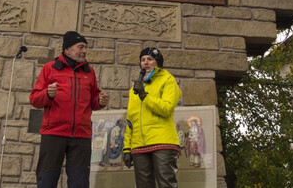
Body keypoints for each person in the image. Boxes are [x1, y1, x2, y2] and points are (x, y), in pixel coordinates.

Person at [30, 31, 109, 188]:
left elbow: (93, 99)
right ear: (67, 49)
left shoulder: (89, 72)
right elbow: (34, 100)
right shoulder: (49, 68)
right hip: (53, 133)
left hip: (81, 136)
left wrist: (100, 101)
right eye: (80, 47)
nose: (84, 51)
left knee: (80, 183)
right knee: (47, 181)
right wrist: (47, 94)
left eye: (85, 47)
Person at [123, 47, 182, 188]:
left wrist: (144, 96)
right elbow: (130, 120)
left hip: (163, 142)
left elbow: (167, 109)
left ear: (158, 62)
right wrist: (126, 148)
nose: (146, 62)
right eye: (142, 60)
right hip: (139, 145)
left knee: (166, 184)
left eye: (150, 59)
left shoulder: (168, 80)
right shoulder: (135, 88)